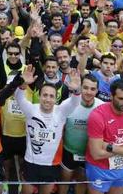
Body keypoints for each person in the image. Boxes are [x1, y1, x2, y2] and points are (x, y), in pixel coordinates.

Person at [15, 65, 82, 194]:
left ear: (55, 98)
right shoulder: (31, 110)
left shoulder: (61, 111)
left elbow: (75, 102)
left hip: (52, 164)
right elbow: (19, 98)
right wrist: (23, 84)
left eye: (51, 96)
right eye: (44, 95)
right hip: (31, 163)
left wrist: (77, 90)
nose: (47, 99)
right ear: (39, 96)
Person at [85, 79, 123, 194]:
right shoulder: (97, 115)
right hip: (99, 168)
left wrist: (110, 147)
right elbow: (96, 154)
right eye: (121, 99)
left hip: (121, 168)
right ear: (111, 96)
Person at [59, 74, 104, 194]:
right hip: (69, 151)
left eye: (93, 89)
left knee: (82, 181)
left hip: (89, 153)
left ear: (97, 90)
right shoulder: (67, 104)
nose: (88, 92)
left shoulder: (102, 107)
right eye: (85, 88)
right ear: (80, 87)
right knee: (64, 182)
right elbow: (59, 128)